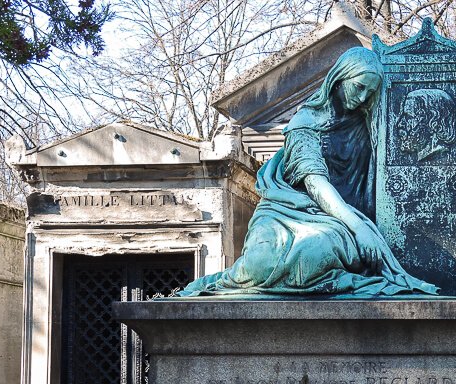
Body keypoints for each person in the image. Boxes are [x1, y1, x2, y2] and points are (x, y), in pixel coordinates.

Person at [177, 47, 439, 296]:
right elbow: (314, 183)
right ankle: (218, 282)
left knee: (313, 256)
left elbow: (421, 146)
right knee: (258, 267)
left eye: (369, 93)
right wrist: (359, 227)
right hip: (288, 210)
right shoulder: (306, 122)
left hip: (334, 221)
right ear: (339, 78)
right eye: (358, 88)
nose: (361, 98)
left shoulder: (370, 122)